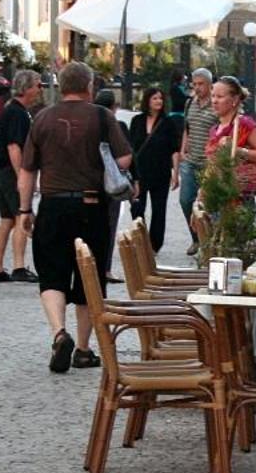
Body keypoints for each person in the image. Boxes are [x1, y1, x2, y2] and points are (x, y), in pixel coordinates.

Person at [16, 63, 134, 373]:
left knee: (52, 274)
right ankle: (83, 349)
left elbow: (28, 171)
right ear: (90, 86)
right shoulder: (101, 116)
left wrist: (25, 210)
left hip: (53, 206)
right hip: (91, 207)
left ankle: (59, 333)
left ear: (61, 86)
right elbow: (124, 158)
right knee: (88, 277)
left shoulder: (42, 118)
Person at [0, 70, 41, 283]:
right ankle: (19, 266)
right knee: (21, 217)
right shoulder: (17, 114)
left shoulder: (11, 111)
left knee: (7, 220)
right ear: (27, 88)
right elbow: (14, 147)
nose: (40, 90)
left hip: (1, 170)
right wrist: (22, 176)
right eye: (38, 85)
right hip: (11, 171)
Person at [129, 86, 181, 252]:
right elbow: (130, 147)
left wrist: (176, 173)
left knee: (159, 210)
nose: (159, 101)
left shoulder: (168, 123)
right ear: (147, 101)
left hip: (161, 171)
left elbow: (174, 149)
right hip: (139, 172)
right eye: (155, 98)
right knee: (137, 207)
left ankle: (154, 245)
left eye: (160, 98)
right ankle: (141, 240)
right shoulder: (137, 121)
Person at [203, 75, 256, 194]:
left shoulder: (243, 124)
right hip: (215, 195)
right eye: (213, 96)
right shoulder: (215, 129)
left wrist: (237, 151)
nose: (214, 101)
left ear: (235, 100)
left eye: (220, 96)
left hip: (237, 198)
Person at [171, 68, 217, 254]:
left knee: (209, 203)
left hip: (209, 162)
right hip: (190, 160)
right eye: (194, 84)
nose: (197, 87)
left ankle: (210, 240)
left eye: (201, 84)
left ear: (209, 84)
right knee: (185, 200)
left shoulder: (216, 105)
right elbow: (186, 129)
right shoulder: (190, 103)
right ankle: (196, 238)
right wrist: (182, 150)